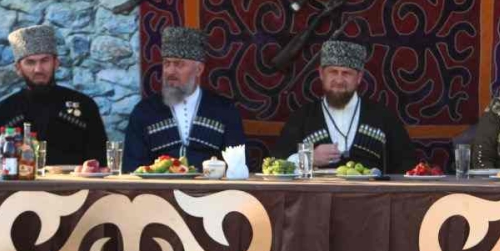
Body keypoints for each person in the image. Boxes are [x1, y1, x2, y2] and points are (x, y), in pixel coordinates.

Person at [271, 40, 416, 174]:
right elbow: (275, 164)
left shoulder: (382, 116)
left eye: (346, 73)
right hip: (316, 194)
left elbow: (408, 166)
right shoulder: (302, 117)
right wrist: (309, 158)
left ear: (359, 77)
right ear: (321, 74)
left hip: (371, 193)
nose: (339, 80)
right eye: (333, 72)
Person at [0, 25, 107, 170]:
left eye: (44, 60)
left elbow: (101, 164)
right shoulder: (2, 112)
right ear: (18, 68)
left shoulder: (84, 106)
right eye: (30, 62)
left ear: (56, 63)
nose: (38, 69)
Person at [123, 26, 245, 171]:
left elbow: (238, 167)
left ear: (199, 69)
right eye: (167, 63)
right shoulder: (145, 111)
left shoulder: (224, 110)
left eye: (179, 64)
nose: (170, 71)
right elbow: (131, 168)